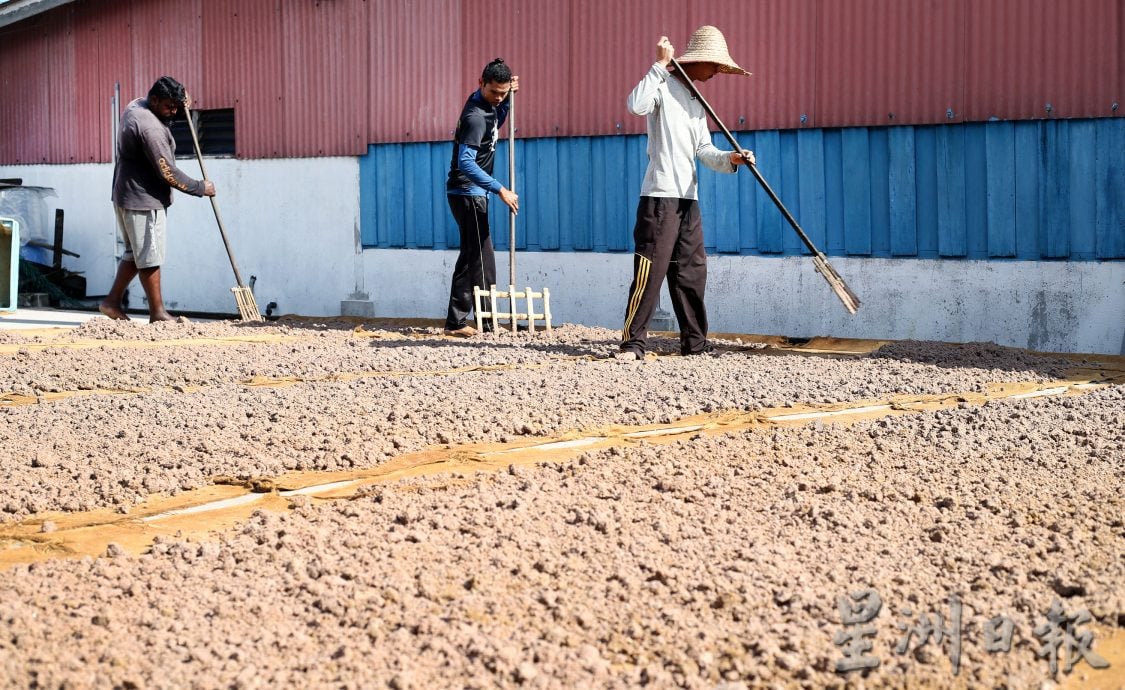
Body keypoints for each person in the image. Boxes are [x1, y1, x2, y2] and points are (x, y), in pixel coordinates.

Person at [618, 26, 755, 360]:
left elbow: (704, 150)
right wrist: (657, 66)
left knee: (692, 271)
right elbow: (635, 105)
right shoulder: (662, 85)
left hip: (687, 199)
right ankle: (632, 344)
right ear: (701, 60)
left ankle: (695, 343)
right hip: (660, 196)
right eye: (716, 66)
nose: (717, 73)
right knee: (651, 270)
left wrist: (731, 159)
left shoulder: (697, 101)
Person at [99, 76, 215, 323]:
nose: (173, 112)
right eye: (169, 106)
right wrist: (200, 187)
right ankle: (158, 313)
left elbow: (170, 105)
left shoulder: (136, 105)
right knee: (150, 256)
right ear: (154, 100)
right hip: (143, 200)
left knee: (135, 253)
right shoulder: (150, 128)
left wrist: (182, 101)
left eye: (177, 106)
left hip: (125, 194)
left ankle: (111, 302)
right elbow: (168, 172)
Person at [443, 58, 519, 337]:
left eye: (504, 92)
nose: (498, 98)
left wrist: (507, 101)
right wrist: (500, 189)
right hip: (467, 193)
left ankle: (457, 321)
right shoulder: (475, 116)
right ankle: (485, 322)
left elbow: (495, 124)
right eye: (494, 92)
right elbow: (466, 162)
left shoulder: (488, 107)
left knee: (471, 255)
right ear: (481, 84)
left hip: (470, 193)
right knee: (482, 259)